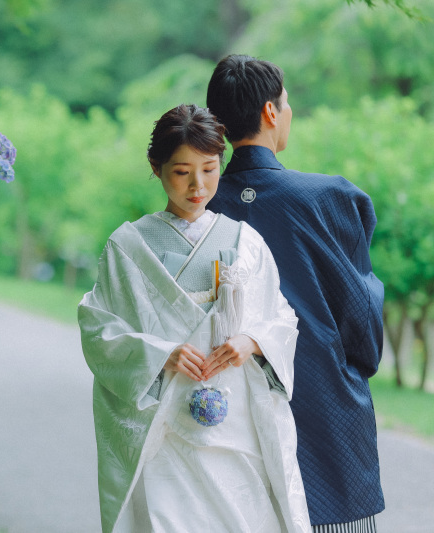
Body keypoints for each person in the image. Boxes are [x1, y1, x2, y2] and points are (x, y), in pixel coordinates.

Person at [78, 104, 312, 533]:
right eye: (182, 172)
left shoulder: (247, 242)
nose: (198, 185)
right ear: (157, 167)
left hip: (236, 419)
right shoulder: (127, 246)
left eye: (209, 168)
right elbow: (99, 327)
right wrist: (161, 354)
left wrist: (253, 341)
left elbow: (281, 318)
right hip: (163, 424)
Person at [205, 54, 385, 532]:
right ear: (270, 112)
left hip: (226, 422)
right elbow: (363, 324)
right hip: (325, 416)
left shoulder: (199, 208)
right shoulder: (332, 199)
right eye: (287, 104)